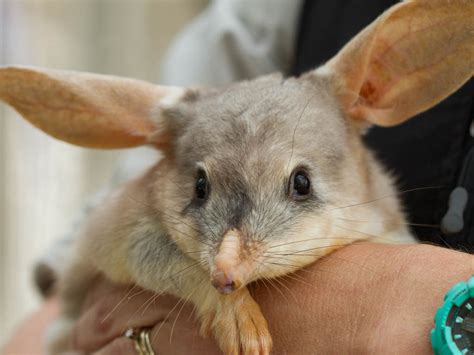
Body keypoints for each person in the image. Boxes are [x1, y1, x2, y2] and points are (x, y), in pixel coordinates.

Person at [3, 1, 473, 353]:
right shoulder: (266, 17)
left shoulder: (364, 186)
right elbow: (94, 260)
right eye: (202, 189)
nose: (228, 261)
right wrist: (205, 295)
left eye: (298, 185)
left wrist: (388, 296)